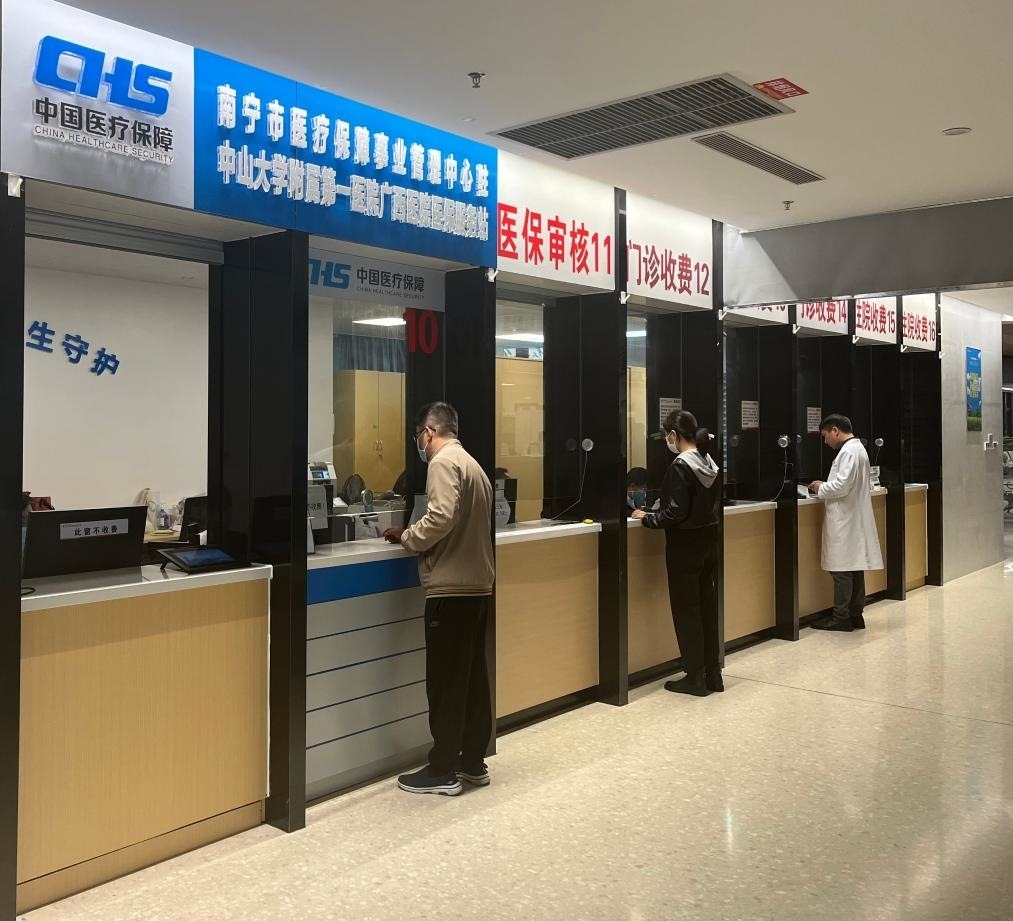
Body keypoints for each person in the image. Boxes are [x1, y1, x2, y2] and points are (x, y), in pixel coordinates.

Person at [383, 402, 495, 795]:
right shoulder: (473, 465)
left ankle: (443, 769)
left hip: (450, 587)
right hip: (477, 585)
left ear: (428, 432)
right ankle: (473, 762)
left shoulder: (443, 462)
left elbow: (441, 516)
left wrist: (408, 537)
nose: (419, 443)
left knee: (446, 681)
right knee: (472, 679)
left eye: (419, 435)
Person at [631, 410, 721, 696]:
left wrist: (648, 519)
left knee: (687, 610)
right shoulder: (708, 462)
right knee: (707, 607)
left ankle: (694, 677)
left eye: (666, 436)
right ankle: (713, 674)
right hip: (708, 542)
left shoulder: (681, 465)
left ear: (673, 435)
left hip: (684, 546)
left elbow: (675, 512)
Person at [808, 413, 883, 632]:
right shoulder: (857, 449)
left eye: (825, 435)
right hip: (851, 517)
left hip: (844, 519)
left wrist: (820, 487)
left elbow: (842, 485)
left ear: (835, 430)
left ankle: (841, 617)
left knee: (841, 570)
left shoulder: (849, 451)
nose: (825, 441)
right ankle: (855, 615)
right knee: (854, 567)